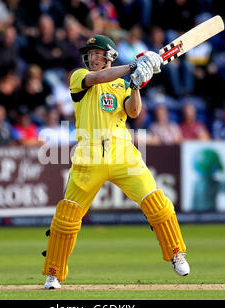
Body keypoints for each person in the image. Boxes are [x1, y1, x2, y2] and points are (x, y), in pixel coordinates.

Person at [42, 35, 189, 290]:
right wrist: (135, 66)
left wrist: (136, 85)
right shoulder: (79, 77)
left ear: (110, 56)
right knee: (66, 217)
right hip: (89, 156)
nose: (92, 58)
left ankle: (176, 253)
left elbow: (133, 112)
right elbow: (97, 79)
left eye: (98, 53)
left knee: (157, 203)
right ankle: (54, 272)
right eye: (90, 54)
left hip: (123, 154)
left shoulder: (121, 85)